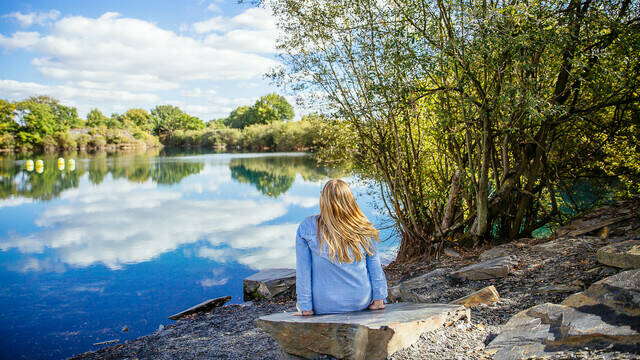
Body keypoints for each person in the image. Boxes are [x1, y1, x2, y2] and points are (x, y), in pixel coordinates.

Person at [294, 179, 388, 316]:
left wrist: (305, 308)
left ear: (323, 200)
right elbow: (375, 267)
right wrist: (379, 299)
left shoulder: (307, 226)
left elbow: (303, 272)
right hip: (360, 301)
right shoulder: (364, 226)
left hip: (324, 305)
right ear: (350, 200)